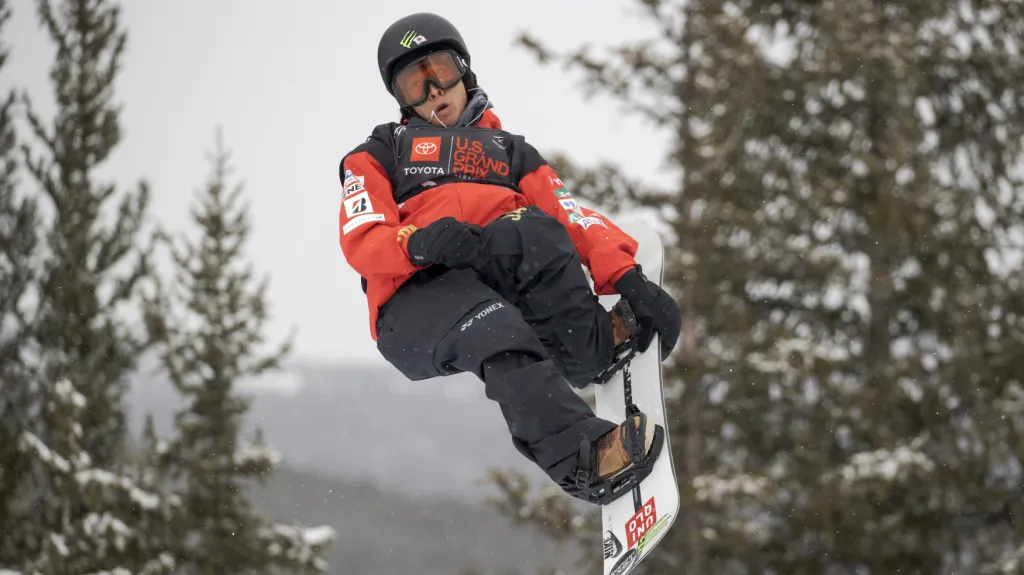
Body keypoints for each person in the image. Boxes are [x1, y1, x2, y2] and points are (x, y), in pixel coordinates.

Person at [337, 12, 681, 505]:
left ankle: (588, 344)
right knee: (493, 327)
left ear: (464, 71)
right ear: (401, 99)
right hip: (414, 301)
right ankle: (582, 458)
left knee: (535, 230)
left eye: (441, 71)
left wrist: (627, 278)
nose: (435, 91)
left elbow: (568, 215)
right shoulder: (380, 152)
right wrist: (418, 242)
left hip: (488, 273)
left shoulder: (510, 153)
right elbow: (362, 235)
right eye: (416, 84)